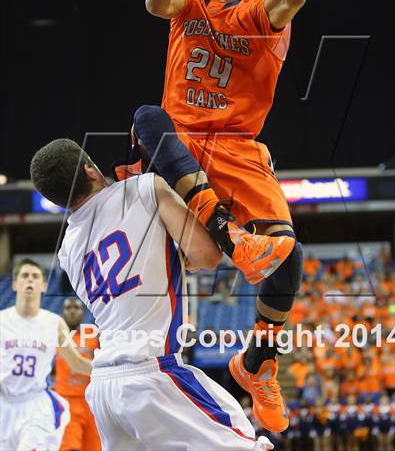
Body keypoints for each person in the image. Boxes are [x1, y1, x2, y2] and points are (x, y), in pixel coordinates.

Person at [134, 0, 306, 433]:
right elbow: (155, 3)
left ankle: (258, 363)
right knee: (146, 119)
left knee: (289, 257)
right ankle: (233, 238)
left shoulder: (261, 11)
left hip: (237, 146)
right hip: (180, 142)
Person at [30, 138, 273, 451]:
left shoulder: (67, 251)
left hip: (103, 388)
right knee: (246, 443)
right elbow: (207, 257)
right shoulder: (144, 188)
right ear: (90, 171)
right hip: (151, 371)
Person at [0, 259, 92, 451]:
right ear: (15, 284)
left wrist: (106, 370)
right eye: (24, 276)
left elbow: (76, 363)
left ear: (44, 286)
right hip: (4, 404)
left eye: (35, 276)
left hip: (35, 405)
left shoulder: (55, 322)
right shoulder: (2, 320)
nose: (30, 281)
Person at [55, 298, 101, 451]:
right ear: (63, 312)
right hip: (66, 402)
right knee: (70, 448)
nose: (72, 311)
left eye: (76, 307)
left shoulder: (93, 336)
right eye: (68, 308)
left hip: (91, 403)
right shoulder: (56, 337)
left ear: (83, 313)